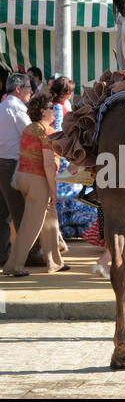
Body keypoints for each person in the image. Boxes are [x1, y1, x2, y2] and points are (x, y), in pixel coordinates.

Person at [2, 93, 70, 276]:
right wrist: (53, 191)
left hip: (24, 176)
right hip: (37, 179)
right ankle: (13, 266)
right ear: (42, 111)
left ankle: (55, 262)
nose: (53, 109)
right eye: (50, 107)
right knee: (30, 225)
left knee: (50, 220)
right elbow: (48, 163)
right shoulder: (46, 131)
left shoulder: (29, 128)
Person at [0, 73, 46, 267]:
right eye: (29, 88)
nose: (31, 92)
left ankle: (3, 253)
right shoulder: (16, 109)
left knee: (3, 213)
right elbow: (31, 136)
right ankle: (31, 253)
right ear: (18, 89)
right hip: (11, 164)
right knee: (21, 212)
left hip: (4, 162)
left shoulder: (3, 107)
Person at [50, 76, 97, 239]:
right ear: (67, 93)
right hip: (63, 156)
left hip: (62, 155)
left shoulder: (56, 107)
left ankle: (67, 228)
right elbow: (59, 134)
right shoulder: (58, 109)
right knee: (71, 192)